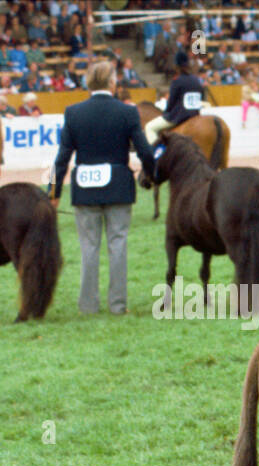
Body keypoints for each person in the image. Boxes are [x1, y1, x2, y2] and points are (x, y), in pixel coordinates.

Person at [49, 59, 156, 315]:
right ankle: (118, 305)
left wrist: (53, 193)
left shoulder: (73, 112)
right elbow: (145, 151)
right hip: (119, 188)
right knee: (117, 246)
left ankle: (88, 306)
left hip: (85, 190)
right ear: (112, 82)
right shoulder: (128, 112)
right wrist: (151, 176)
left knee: (89, 248)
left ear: (88, 82)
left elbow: (61, 158)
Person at [145, 51, 206, 144]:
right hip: (195, 114)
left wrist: (166, 113)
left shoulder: (177, 81)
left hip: (179, 116)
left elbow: (171, 102)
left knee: (149, 127)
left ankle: (155, 154)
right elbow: (202, 96)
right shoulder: (196, 80)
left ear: (176, 66)